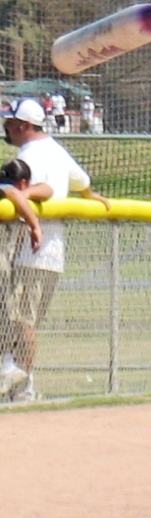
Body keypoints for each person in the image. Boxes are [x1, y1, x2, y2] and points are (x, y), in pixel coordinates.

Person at [0, 98, 109, 401]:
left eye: (9, 121)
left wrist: (33, 225)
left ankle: (21, 385)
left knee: (21, 320)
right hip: (43, 251)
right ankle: (19, 384)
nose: (5, 126)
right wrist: (89, 194)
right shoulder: (56, 149)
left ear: (23, 125)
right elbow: (82, 181)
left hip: (32, 250)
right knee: (17, 319)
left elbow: (29, 192)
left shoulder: (32, 156)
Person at [0, 158, 43, 397]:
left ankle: (8, 366)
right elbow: (14, 194)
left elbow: (46, 189)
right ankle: (9, 366)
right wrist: (35, 225)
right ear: (23, 182)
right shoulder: (7, 188)